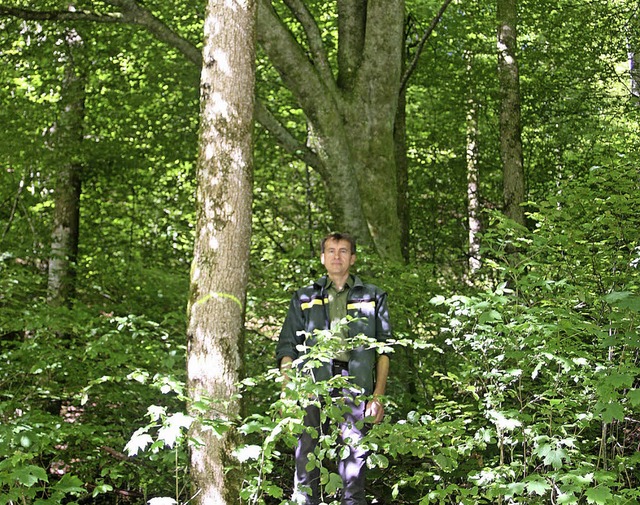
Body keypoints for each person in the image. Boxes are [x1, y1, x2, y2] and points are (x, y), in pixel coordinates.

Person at [276, 232, 392, 505]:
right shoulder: (305, 296)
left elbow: (384, 350)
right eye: (330, 250)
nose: (336, 256)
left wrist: (378, 396)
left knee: (355, 456)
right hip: (312, 383)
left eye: (343, 251)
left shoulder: (373, 296)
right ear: (322, 257)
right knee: (306, 453)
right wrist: (288, 392)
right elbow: (287, 348)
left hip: (355, 382)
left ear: (352, 258)